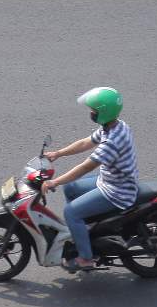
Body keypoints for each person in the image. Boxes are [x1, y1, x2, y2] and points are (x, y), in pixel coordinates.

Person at [40, 87, 138, 273]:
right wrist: (58, 153)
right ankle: (82, 231)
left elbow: (85, 167)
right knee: (71, 188)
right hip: (110, 180)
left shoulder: (112, 142)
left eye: (94, 110)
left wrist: (54, 182)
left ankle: (86, 257)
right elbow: (86, 142)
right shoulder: (114, 125)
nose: (91, 113)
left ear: (103, 112)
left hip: (117, 191)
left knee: (71, 213)